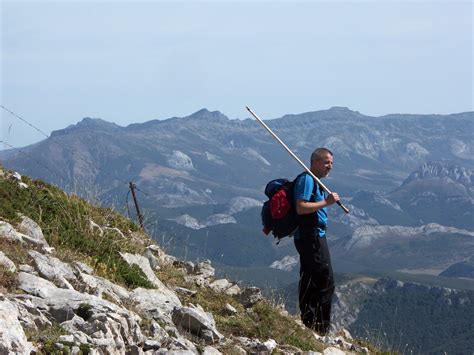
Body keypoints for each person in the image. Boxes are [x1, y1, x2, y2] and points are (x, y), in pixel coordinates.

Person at [293, 147, 340, 335]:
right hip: (311, 237)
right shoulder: (307, 180)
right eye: (327, 162)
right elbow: (301, 207)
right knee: (325, 281)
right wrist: (326, 202)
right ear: (315, 162)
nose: (330, 166)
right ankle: (320, 328)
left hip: (312, 235)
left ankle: (309, 323)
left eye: (332, 163)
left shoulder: (315, 181)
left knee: (311, 279)